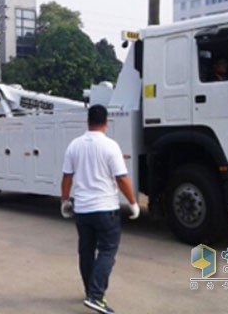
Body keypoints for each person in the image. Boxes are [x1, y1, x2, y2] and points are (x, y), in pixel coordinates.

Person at [60, 104, 140, 314]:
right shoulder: (110, 146)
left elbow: (67, 177)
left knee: (86, 251)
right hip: (106, 209)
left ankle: (90, 292)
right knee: (107, 251)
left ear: (88, 121)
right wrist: (133, 203)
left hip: (83, 209)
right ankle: (95, 296)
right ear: (106, 122)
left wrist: (64, 200)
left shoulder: (74, 145)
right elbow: (121, 179)